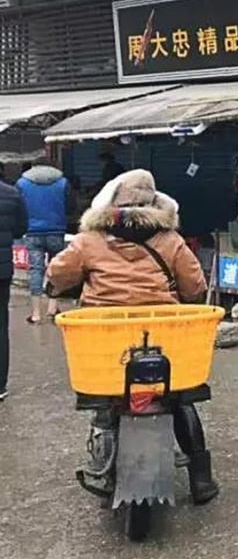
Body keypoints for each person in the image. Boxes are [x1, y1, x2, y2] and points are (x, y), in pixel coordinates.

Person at [45, 169, 218, 504]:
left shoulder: (90, 239)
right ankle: (201, 478)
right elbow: (195, 285)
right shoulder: (170, 240)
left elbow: (58, 274)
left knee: (106, 395)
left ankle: (103, 464)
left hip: (105, 339)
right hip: (163, 337)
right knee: (180, 397)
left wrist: (55, 286)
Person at [16, 162, 72, 323]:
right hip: (56, 230)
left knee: (36, 270)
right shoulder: (63, 182)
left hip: (32, 232)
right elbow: (71, 207)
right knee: (56, 269)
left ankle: (35, 313)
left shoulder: (21, 183)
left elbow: (18, 207)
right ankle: (52, 308)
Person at [0, 179, 28, 401]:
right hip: (3, 269)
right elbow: (21, 228)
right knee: (1, 326)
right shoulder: (12, 193)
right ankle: (0, 385)